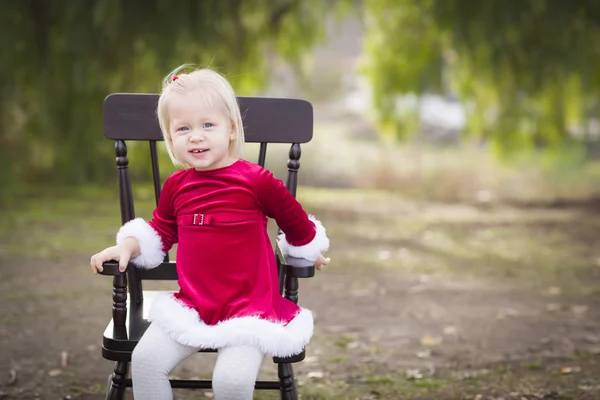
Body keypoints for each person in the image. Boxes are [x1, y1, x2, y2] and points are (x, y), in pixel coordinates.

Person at [89, 65, 331, 400]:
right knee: (144, 361)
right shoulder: (177, 186)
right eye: (183, 128)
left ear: (231, 130)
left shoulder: (256, 180)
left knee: (230, 382)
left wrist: (305, 250)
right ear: (171, 138)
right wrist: (128, 246)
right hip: (193, 305)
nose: (196, 136)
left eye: (207, 125)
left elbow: (296, 223)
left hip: (249, 311)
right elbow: (160, 231)